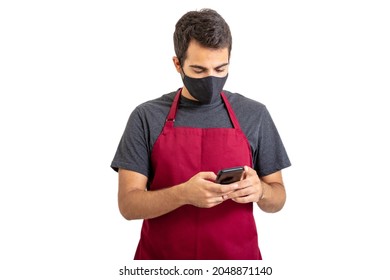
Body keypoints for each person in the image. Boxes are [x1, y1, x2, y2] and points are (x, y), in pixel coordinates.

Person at [111, 8, 291, 260]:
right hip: (163, 264)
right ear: (177, 64)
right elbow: (128, 206)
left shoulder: (254, 114)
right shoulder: (146, 117)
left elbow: (278, 197)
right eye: (198, 70)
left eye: (220, 70)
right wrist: (183, 194)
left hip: (236, 265)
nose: (211, 79)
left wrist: (261, 191)